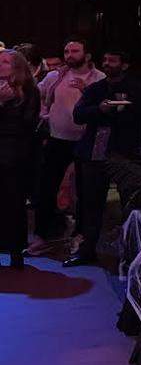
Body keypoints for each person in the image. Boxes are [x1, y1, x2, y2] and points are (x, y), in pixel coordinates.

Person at [65, 50, 141, 267]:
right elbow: (78, 114)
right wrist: (99, 109)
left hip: (125, 152)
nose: (107, 64)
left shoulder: (137, 89)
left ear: (125, 65)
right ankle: (86, 250)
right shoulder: (96, 88)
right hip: (95, 151)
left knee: (130, 205)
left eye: (112, 60)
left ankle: (132, 255)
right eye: (105, 60)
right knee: (90, 204)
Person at [27, 39, 104, 255]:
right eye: (67, 51)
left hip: (86, 141)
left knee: (84, 191)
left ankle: (79, 236)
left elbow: (105, 106)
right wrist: (43, 113)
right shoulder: (56, 76)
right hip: (57, 138)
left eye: (75, 51)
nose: (69, 55)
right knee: (46, 187)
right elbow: (35, 93)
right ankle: (41, 235)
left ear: (87, 55)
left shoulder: (100, 79)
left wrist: (87, 90)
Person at [0, 51, 41, 268]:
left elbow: (28, 125)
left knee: (14, 204)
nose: (0, 64)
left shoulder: (30, 91)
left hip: (16, 156)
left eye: (5, 62)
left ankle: (16, 251)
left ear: (17, 67)